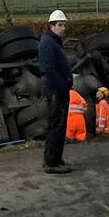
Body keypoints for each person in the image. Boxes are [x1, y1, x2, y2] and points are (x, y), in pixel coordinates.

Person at [38, 9, 72, 173]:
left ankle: (54, 158)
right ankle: (52, 162)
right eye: (60, 25)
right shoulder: (48, 43)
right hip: (56, 91)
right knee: (56, 125)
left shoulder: (52, 41)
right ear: (51, 26)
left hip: (58, 90)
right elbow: (48, 68)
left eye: (64, 25)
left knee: (59, 124)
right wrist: (62, 85)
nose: (63, 28)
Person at [66, 76, 88, 142]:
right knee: (81, 132)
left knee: (70, 132)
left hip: (70, 118)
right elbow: (85, 106)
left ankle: (70, 140)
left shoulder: (66, 95)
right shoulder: (78, 95)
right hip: (80, 118)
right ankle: (81, 141)